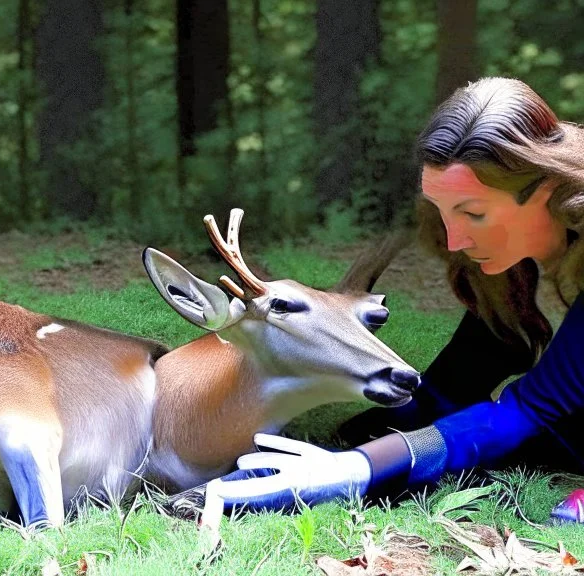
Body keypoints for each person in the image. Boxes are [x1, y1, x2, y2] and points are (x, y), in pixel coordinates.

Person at [196, 77, 584, 523]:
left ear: (545, 189)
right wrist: (357, 446)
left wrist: (354, 469)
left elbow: (532, 408)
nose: (454, 240)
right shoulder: (511, 259)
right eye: (444, 212)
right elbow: (463, 378)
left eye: (474, 214)